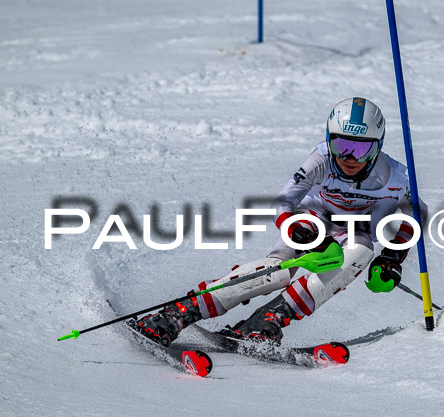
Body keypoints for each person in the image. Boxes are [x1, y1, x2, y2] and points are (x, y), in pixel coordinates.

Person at [136, 97, 428, 346]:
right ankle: (179, 312)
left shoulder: (397, 177)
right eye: (341, 146)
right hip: (312, 222)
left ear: (377, 147)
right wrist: (298, 230)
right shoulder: (321, 161)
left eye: (361, 149)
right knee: (277, 273)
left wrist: (392, 256)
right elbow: (283, 202)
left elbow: (417, 213)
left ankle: (268, 320)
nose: (349, 158)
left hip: (352, 236)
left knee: (362, 250)